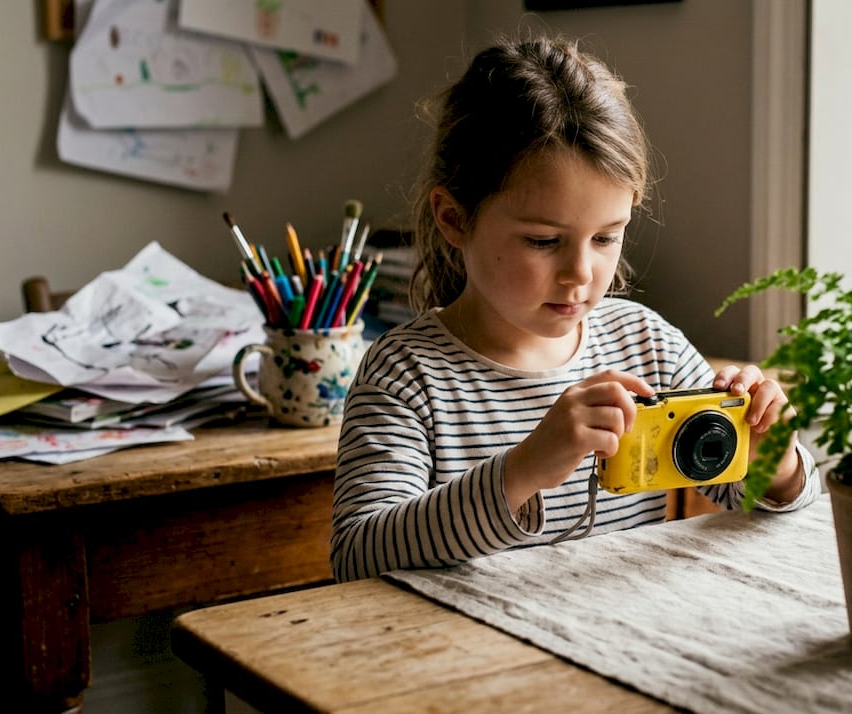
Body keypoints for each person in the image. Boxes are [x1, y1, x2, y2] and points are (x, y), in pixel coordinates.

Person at [331, 35, 818, 580]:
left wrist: (775, 462)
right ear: (454, 219)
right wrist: (523, 469)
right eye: (543, 241)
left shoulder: (646, 346)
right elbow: (357, 555)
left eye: (607, 238)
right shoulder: (405, 375)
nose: (580, 273)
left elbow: (757, 498)